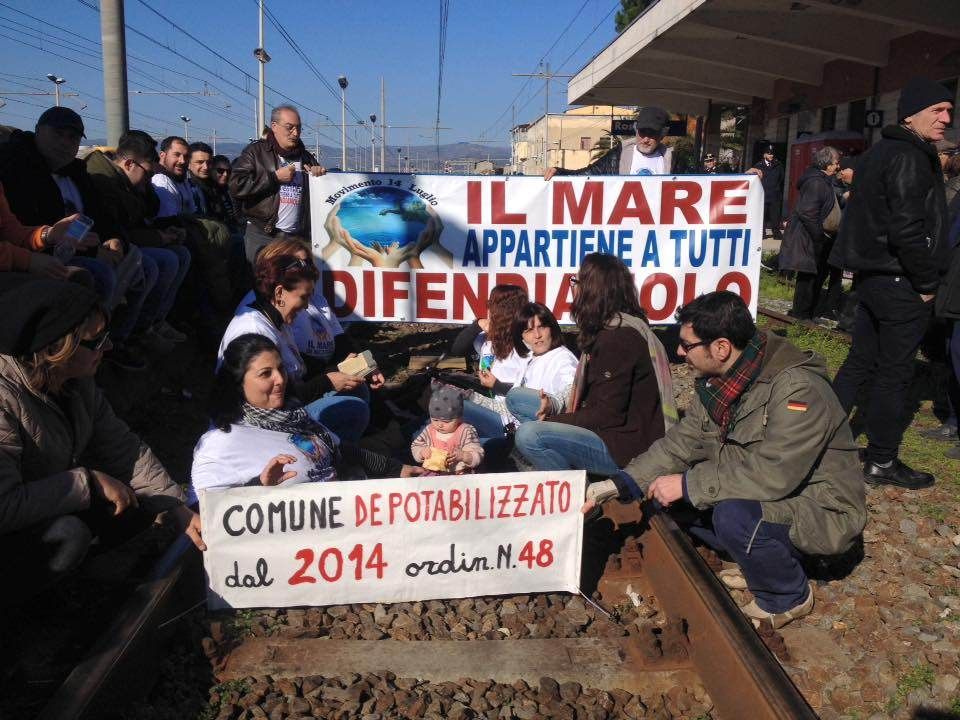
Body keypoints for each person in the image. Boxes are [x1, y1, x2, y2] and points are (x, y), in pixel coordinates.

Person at [588, 291, 866, 629]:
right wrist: (618, 483)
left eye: (686, 345)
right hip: (771, 496)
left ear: (720, 348)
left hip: (821, 508)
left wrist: (689, 485)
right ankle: (757, 558)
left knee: (730, 513)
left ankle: (789, 595)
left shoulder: (796, 390)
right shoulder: (721, 383)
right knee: (663, 494)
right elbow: (679, 445)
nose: (679, 352)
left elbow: (775, 474)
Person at [0, 276, 203, 591]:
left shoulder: (76, 383)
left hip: (42, 503)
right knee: (69, 535)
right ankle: (30, 604)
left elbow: (123, 447)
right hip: (11, 523)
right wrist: (89, 482)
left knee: (139, 503)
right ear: (57, 346)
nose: (108, 346)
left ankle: (76, 570)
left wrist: (176, 508)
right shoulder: (4, 400)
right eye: (95, 340)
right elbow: (5, 506)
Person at [830, 77, 953, 489]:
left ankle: (817, 441)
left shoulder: (880, 152)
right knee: (893, 374)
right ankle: (881, 460)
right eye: (937, 109)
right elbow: (906, 228)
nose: (946, 118)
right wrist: (926, 282)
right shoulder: (910, 156)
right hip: (900, 282)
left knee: (858, 363)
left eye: (949, 110)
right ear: (911, 114)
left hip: (872, 278)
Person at [191, 334, 421, 501]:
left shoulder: (294, 415)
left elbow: (342, 449)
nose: (280, 379)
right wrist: (258, 487)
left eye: (280, 369)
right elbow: (209, 512)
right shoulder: (219, 444)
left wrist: (395, 469)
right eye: (265, 374)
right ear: (238, 383)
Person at [514, 253, 676, 475]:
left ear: (592, 291)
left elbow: (607, 415)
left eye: (576, 282)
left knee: (530, 435)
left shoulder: (617, 339)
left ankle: (579, 499)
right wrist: (553, 408)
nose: (573, 288)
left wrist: (554, 420)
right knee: (518, 400)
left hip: (627, 446)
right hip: (614, 432)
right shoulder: (614, 330)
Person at [218, 253, 373, 442]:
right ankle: (331, 459)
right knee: (352, 409)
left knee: (356, 388)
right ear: (279, 293)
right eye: (303, 297)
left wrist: (340, 371)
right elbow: (270, 399)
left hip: (284, 403)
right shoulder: (255, 331)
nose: (307, 305)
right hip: (260, 422)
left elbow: (297, 373)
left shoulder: (278, 321)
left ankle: (342, 450)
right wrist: (328, 381)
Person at [85, 131, 192, 361]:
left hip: (126, 241)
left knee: (180, 254)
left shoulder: (130, 184)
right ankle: (125, 337)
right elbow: (118, 228)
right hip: (109, 246)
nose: (150, 176)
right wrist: (159, 238)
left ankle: (153, 323)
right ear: (129, 163)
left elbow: (146, 213)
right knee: (157, 263)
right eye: (147, 171)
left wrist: (145, 189)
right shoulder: (103, 181)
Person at [230, 105, 327, 264]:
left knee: (292, 284)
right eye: (289, 128)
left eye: (299, 128)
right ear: (274, 126)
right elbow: (236, 185)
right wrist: (273, 177)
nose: (295, 133)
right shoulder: (256, 152)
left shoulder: (306, 157)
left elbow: (319, 196)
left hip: (296, 237)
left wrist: (318, 175)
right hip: (263, 233)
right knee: (263, 283)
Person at [152, 135, 233, 317]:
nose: (181, 161)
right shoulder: (162, 182)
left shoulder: (183, 184)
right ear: (163, 155)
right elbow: (171, 222)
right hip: (176, 243)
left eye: (185, 156)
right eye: (177, 155)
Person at [448, 284, 529, 439]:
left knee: (448, 406)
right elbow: (457, 349)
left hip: (509, 417)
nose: (488, 311)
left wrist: (496, 385)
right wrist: (477, 325)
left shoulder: (523, 346)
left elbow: (528, 396)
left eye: (491, 305)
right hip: (489, 403)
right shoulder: (489, 339)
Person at [780, 146, 843, 320]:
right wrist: (819, 237)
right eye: (836, 163)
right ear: (827, 164)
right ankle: (802, 316)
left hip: (818, 238)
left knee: (816, 277)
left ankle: (809, 314)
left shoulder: (822, 180)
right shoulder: (816, 182)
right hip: (810, 238)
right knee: (808, 279)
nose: (838, 167)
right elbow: (808, 213)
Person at [543, 106, 673, 178]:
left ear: (662, 135)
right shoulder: (618, 155)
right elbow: (588, 175)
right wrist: (559, 172)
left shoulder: (673, 161)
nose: (645, 139)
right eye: (642, 132)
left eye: (652, 134)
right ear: (635, 129)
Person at [503, 302, 579, 424]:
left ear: (552, 329)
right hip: (510, 424)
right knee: (465, 406)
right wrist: (471, 397)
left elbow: (571, 390)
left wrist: (552, 404)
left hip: (542, 429)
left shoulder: (562, 358)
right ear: (521, 337)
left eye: (542, 327)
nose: (537, 335)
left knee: (515, 395)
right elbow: (507, 409)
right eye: (529, 330)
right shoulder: (529, 359)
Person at [410, 385, 483, 474]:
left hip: (460, 473)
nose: (440, 425)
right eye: (435, 420)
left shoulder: (465, 431)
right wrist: (421, 452)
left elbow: (477, 452)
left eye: (446, 421)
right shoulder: (429, 430)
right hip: (432, 472)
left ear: (459, 418)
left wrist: (464, 456)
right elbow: (416, 445)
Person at [747, 143, 785, 239]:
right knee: (762, 216)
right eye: (768, 153)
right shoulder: (758, 165)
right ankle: (762, 233)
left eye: (772, 153)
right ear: (764, 155)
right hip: (762, 195)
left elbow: (781, 178)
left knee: (775, 216)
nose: (770, 155)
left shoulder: (778, 165)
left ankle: (776, 233)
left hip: (774, 195)